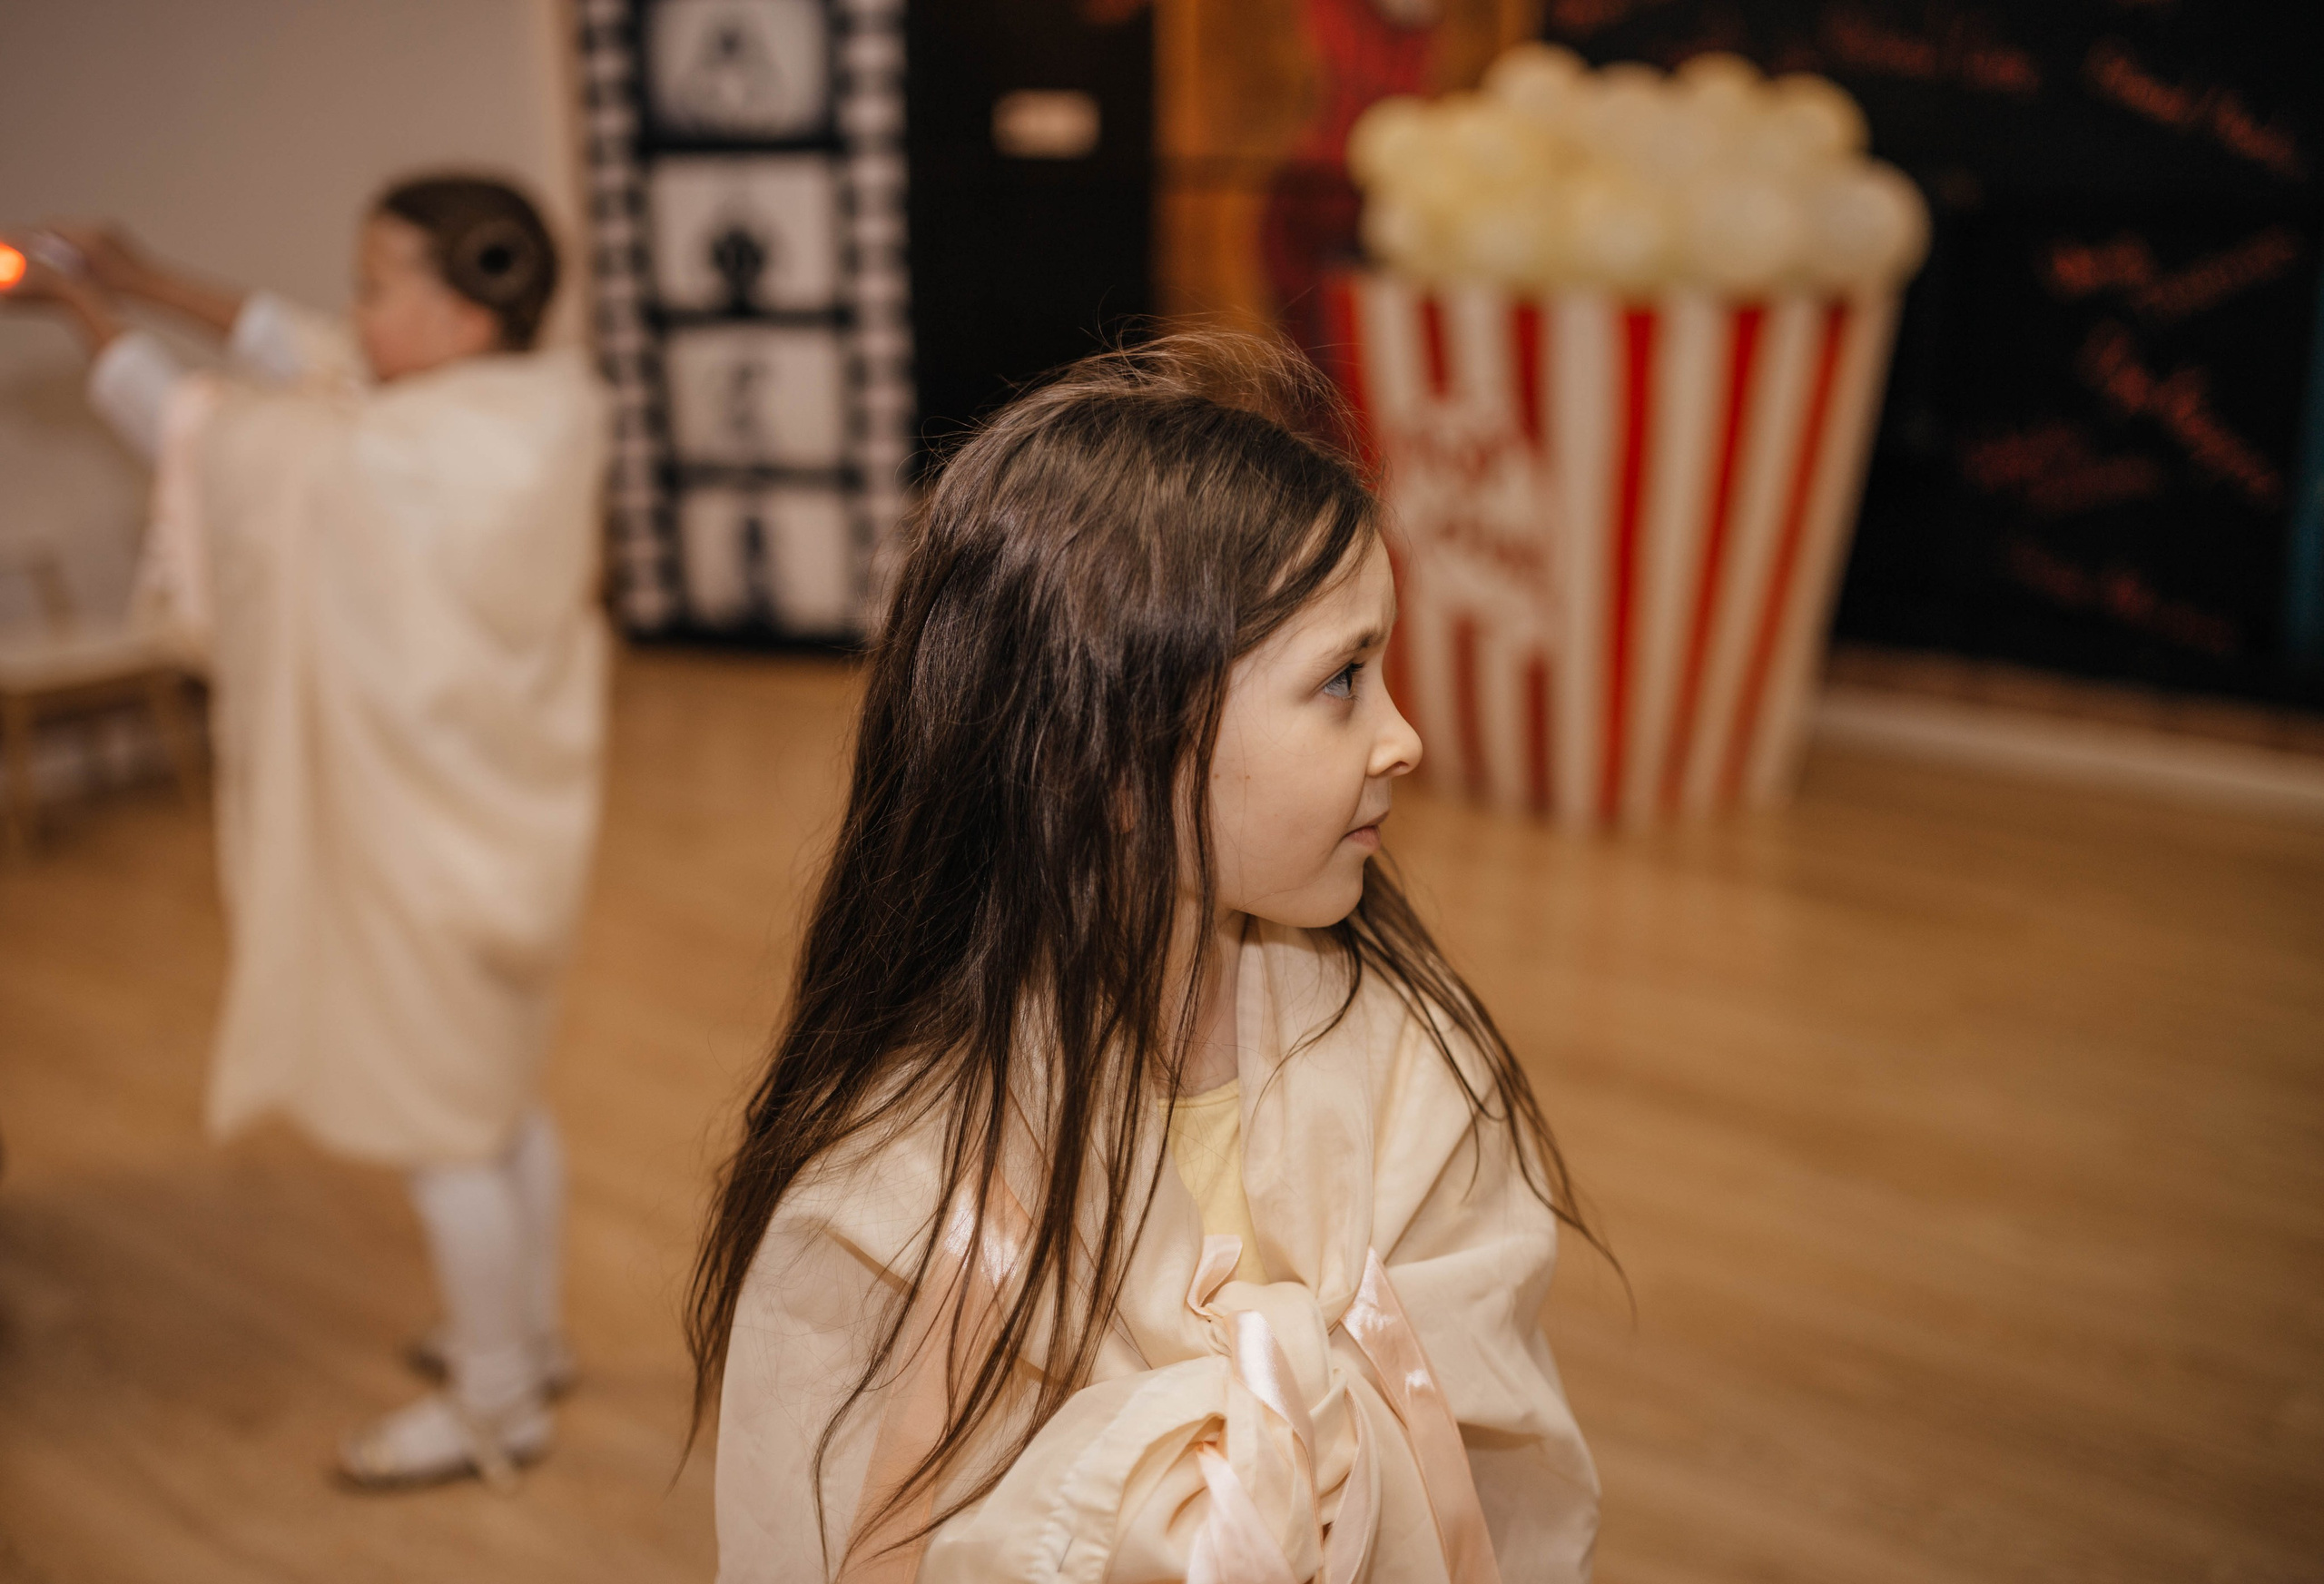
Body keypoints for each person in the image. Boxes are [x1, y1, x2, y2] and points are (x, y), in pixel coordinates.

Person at [691, 334, 1601, 1582]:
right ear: (1111, 762)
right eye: (1343, 680)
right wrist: (1276, 1420)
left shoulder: (1406, 1062)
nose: (1405, 737)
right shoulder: (902, 1198)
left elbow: (1489, 1431)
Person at [2, 175, 609, 1490]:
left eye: (375, 283)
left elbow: (203, 432)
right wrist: (146, 275)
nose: (352, 309)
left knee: (442, 1125)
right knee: (502, 1094)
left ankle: (494, 1402)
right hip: (507, 831)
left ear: (457, 316)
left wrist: (82, 311)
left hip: (417, 848)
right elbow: (313, 359)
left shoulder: (388, 457)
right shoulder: (542, 404)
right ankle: (529, 1333)